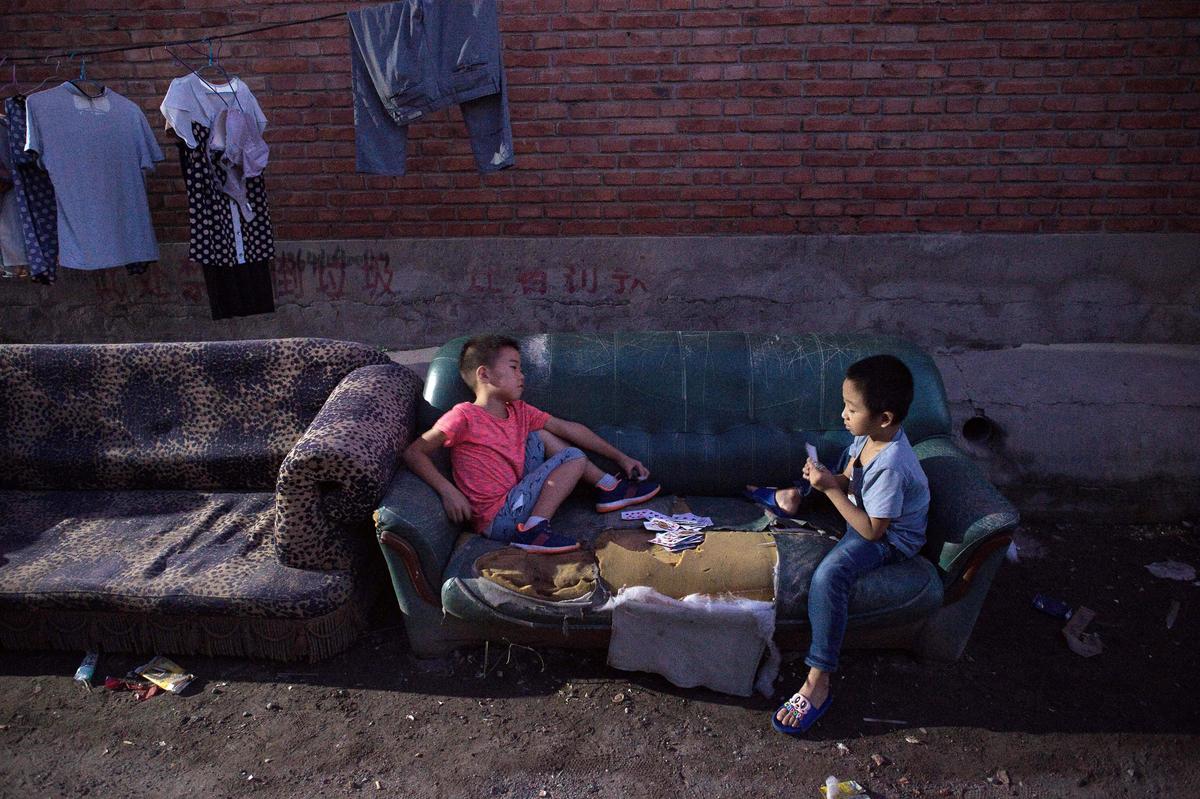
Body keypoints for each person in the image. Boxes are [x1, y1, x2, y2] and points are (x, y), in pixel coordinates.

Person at [747, 354, 930, 735]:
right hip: (863, 511)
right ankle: (793, 496)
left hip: (888, 538)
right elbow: (849, 478)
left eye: (851, 409)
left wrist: (830, 489)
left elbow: (872, 532)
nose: (843, 415)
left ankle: (818, 680)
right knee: (825, 470)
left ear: (884, 418)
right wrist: (829, 480)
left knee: (829, 576)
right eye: (845, 405)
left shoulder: (892, 465)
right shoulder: (868, 436)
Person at [404, 334, 661, 554]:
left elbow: (568, 429)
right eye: (514, 367)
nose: (522, 376)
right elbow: (414, 452)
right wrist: (448, 491)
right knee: (573, 457)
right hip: (498, 519)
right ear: (484, 374)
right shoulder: (463, 416)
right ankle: (534, 531)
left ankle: (609, 487)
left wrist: (621, 457)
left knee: (538, 434)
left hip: (517, 496)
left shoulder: (519, 411)